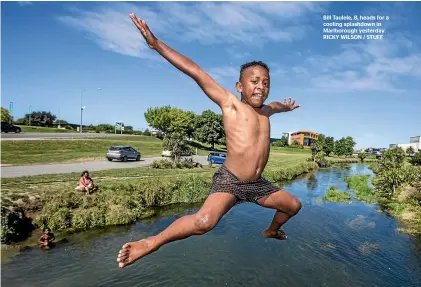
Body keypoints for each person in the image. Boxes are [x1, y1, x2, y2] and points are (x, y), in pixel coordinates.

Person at [117, 13, 302, 269]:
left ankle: (270, 231)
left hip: (257, 184)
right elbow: (196, 71)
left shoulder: (267, 110)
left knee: (293, 206)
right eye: (255, 81)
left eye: (266, 82)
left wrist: (286, 107)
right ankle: (150, 243)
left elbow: (276, 105)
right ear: (240, 85)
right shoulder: (230, 104)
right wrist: (156, 44)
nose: (261, 86)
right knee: (204, 222)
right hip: (231, 181)